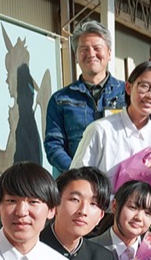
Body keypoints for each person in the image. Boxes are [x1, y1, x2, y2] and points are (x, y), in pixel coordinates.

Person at [45, 21, 126, 174]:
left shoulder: (128, 94)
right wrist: (77, 172)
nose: (91, 54)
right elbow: (53, 145)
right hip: (77, 184)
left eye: (97, 48)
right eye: (84, 49)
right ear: (76, 56)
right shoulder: (60, 99)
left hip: (121, 184)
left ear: (109, 53)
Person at [69, 61, 151, 183]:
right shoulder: (101, 130)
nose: (150, 95)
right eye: (144, 86)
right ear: (128, 88)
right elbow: (77, 179)